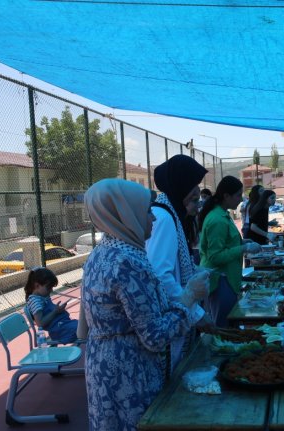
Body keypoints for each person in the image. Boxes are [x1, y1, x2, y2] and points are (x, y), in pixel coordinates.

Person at [82, 178, 209, 431]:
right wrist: (189, 297)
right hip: (129, 371)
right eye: (146, 211)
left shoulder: (101, 253)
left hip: (103, 364)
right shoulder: (128, 263)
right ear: (126, 215)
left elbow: (83, 326)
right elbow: (155, 336)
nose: (152, 218)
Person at [146, 155, 213, 370]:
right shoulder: (164, 218)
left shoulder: (171, 214)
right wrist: (194, 312)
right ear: (178, 192)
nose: (197, 206)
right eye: (193, 199)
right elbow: (160, 275)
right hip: (170, 314)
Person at [199, 176, 261, 327]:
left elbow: (227, 243)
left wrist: (243, 242)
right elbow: (215, 256)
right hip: (220, 279)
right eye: (238, 195)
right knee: (224, 325)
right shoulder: (217, 220)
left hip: (228, 278)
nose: (241, 199)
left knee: (231, 322)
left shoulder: (223, 215)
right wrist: (244, 248)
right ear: (226, 196)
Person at [24, 267, 78, 344]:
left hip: (62, 325)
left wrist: (58, 310)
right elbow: (40, 323)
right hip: (59, 330)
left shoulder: (42, 297)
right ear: (37, 285)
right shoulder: (35, 301)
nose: (51, 290)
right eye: (49, 287)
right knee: (84, 328)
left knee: (85, 325)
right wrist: (55, 311)